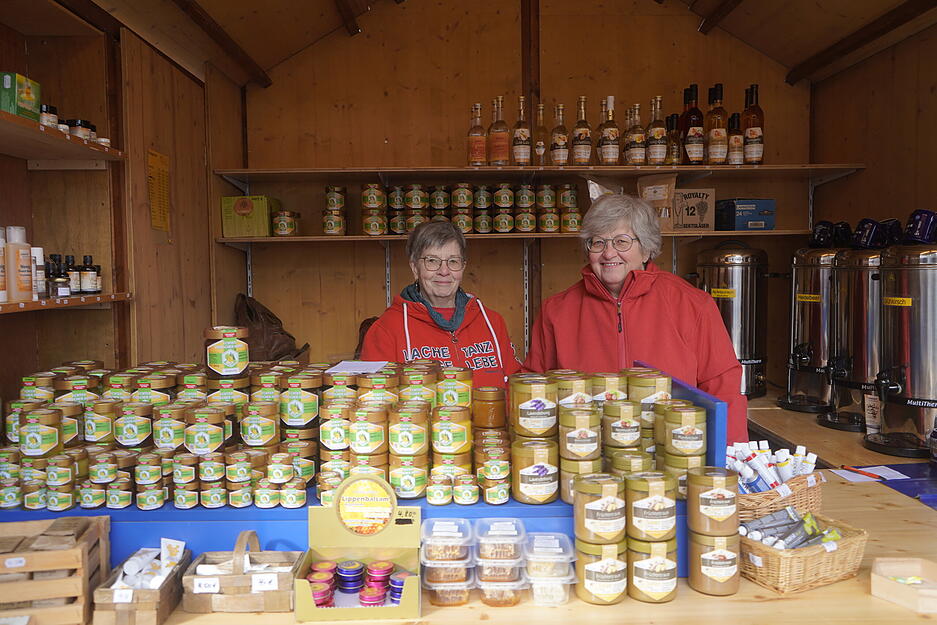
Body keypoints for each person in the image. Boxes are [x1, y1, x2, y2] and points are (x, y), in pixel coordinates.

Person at [524, 193, 748, 443]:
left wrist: (728, 460)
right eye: (598, 243)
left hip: (674, 452)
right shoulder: (556, 311)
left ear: (646, 249)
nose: (609, 254)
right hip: (584, 454)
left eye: (622, 241)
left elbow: (723, 387)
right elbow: (533, 390)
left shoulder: (692, 304)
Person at [361, 221, 520, 387]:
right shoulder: (386, 330)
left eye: (453, 261)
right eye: (432, 261)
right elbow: (377, 398)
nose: (444, 271)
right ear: (415, 268)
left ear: (463, 267)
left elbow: (515, 388)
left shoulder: (492, 322)